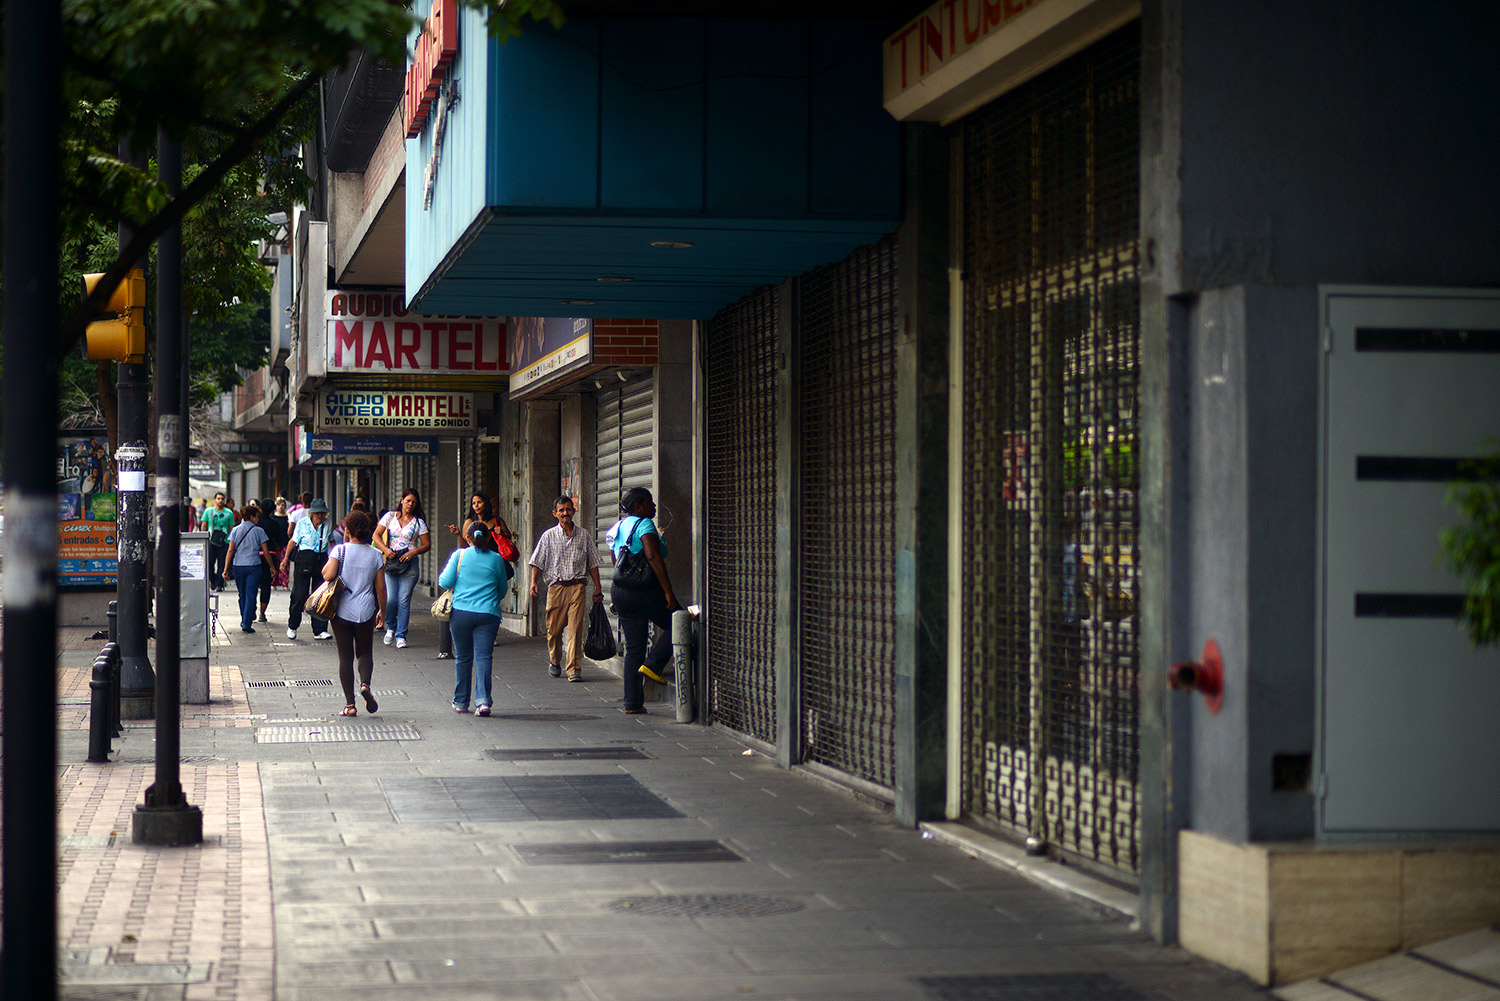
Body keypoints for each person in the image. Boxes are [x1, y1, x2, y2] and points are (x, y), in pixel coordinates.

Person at [606, 487, 680, 714]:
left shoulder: (617, 527)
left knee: (634, 648)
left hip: (621, 591)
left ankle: (632, 703)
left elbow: (616, 559)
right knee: (681, 622)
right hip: (644, 591)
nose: (654, 506)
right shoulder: (644, 524)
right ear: (638, 507)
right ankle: (654, 664)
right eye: (649, 502)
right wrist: (668, 591)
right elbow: (653, 556)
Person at [438, 523, 514, 714]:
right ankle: (483, 702)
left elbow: (444, 582)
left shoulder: (459, 555)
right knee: (483, 657)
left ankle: (461, 702)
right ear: (488, 538)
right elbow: (502, 589)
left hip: (461, 614)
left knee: (463, 658)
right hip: (488, 614)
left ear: (468, 538)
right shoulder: (497, 559)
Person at [528, 495, 603, 682]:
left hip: (578, 587)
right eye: (561, 510)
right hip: (556, 588)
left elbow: (593, 564)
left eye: (568, 509)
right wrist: (533, 582)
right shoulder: (548, 536)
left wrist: (598, 588)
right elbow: (537, 562)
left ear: (574, 511)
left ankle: (574, 669)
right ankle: (555, 660)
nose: (565, 513)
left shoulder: (584, 535)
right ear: (555, 513)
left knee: (575, 629)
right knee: (553, 631)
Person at [322, 510, 386, 718]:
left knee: (345, 656)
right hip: (366, 609)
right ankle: (365, 684)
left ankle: (350, 705)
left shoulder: (339, 550)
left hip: (341, 610)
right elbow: (381, 588)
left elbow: (328, 575)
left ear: (347, 531)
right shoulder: (376, 554)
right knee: (365, 652)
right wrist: (382, 612)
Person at [374, 488, 431, 649]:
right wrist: (386, 550)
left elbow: (427, 544)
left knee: (404, 599)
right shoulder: (390, 516)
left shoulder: (418, 522)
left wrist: (414, 551)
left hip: (409, 564)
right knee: (391, 599)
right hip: (392, 562)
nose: (410, 504)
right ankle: (391, 627)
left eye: (413, 502)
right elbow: (376, 535)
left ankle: (401, 635)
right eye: (408, 501)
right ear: (402, 500)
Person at [283, 498, 334, 641]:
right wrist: (285, 560)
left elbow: (331, 541)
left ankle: (320, 629)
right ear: (311, 513)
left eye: (322, 513)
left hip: (322, 560)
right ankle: (292, 626)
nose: (319, 516)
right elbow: (293, 542)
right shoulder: (302, 524)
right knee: (299, 595)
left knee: (320, 596)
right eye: (317, 513)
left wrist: (336, 556)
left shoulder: (328, 524)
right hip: (304, 559)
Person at [224, 503, 274, 634]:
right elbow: (266, 552)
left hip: (238, 566)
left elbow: (230, 550)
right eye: (257, 516)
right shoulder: (259, 531)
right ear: (251, 517)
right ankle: (246, 622)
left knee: (242, 594)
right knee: (251, 594)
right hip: (254, 565)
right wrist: (272, 567)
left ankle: (244, 618)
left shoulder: (235, 530)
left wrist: (225, 568)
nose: (258, 519)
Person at [257, 496, 290, 621]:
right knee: (266, 584)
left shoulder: (256, 523)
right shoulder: (274, 523)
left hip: (255, 555)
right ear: (272, 510)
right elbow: (278, 539)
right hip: (270, 555)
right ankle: (262, 613)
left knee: (253, 584)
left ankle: (250, 610)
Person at [203, 492, 236, 591]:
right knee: (210, 563)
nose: (220, 500)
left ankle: (220, 584)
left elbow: (231, 528)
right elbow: (204, 525)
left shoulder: (229, 513)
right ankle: (212, 580)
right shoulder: (208, 511)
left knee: (222, 563)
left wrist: (231, 541)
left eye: (222, 499)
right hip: (211, 541)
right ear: (215, 500)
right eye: (218, 498)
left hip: (224, 542)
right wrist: (203, 538)